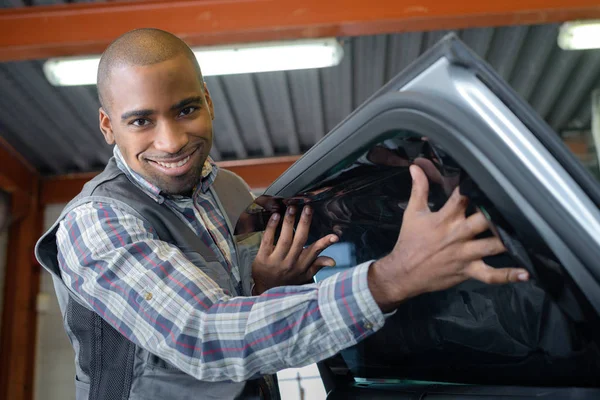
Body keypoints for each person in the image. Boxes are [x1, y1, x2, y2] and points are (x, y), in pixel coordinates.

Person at [35, 28, 529, 400]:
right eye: (141, 121)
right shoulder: (96, 223)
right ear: (107, 126)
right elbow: (202, 335)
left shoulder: (228, 190)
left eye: (185, 109)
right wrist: (389, 280)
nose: (171, 141)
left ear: (207, 100)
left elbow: (242, 305)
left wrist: (261, 287)